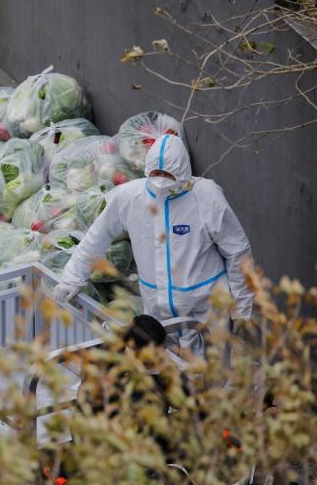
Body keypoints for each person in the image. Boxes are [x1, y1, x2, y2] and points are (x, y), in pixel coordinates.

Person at [53, 133, 254, 353]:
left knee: (214, 373)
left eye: (167, 175)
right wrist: (71, 278)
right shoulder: (129, 197)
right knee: (172, 374)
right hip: (159, 317)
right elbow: (95, 239)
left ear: (183, 172)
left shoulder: (205, 196)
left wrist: (243, 308)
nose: (160, 181)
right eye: (155, 173)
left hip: (207, 310)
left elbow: (237, 252)